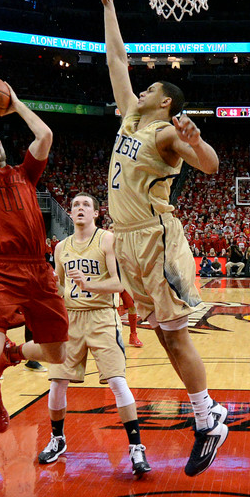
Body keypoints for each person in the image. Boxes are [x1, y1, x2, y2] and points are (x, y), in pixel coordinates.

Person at [102, 0, 228, 477]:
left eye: (152, 86)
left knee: (175, 335)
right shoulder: (132, 116)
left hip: (156, 239)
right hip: (127, 240)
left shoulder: (164, 135)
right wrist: (109, 6)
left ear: (167, 102)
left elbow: (213, 166)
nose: (144, 86)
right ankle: (207, 415)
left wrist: (196, 140)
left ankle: (209, 418)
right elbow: (116, 59)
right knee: (162, 334)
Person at [0, 78, 69, 434]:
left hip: (38, 270)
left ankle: (15, 354)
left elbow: (45, 136)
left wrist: (16, 101)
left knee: (56, 355)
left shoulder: (25, 174)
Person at [38, 192, 151, 476]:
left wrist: (89, 284)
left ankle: (136, 447)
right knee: (57, 382)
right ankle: (57, 438)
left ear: (96, 213)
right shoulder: (60, 247)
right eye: (75, 205)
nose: (79, 208)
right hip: (71, 319)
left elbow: (118, 283)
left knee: (117, 381)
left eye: (85, 205)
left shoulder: (107, 239)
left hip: (102, 316)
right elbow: (61, 287)